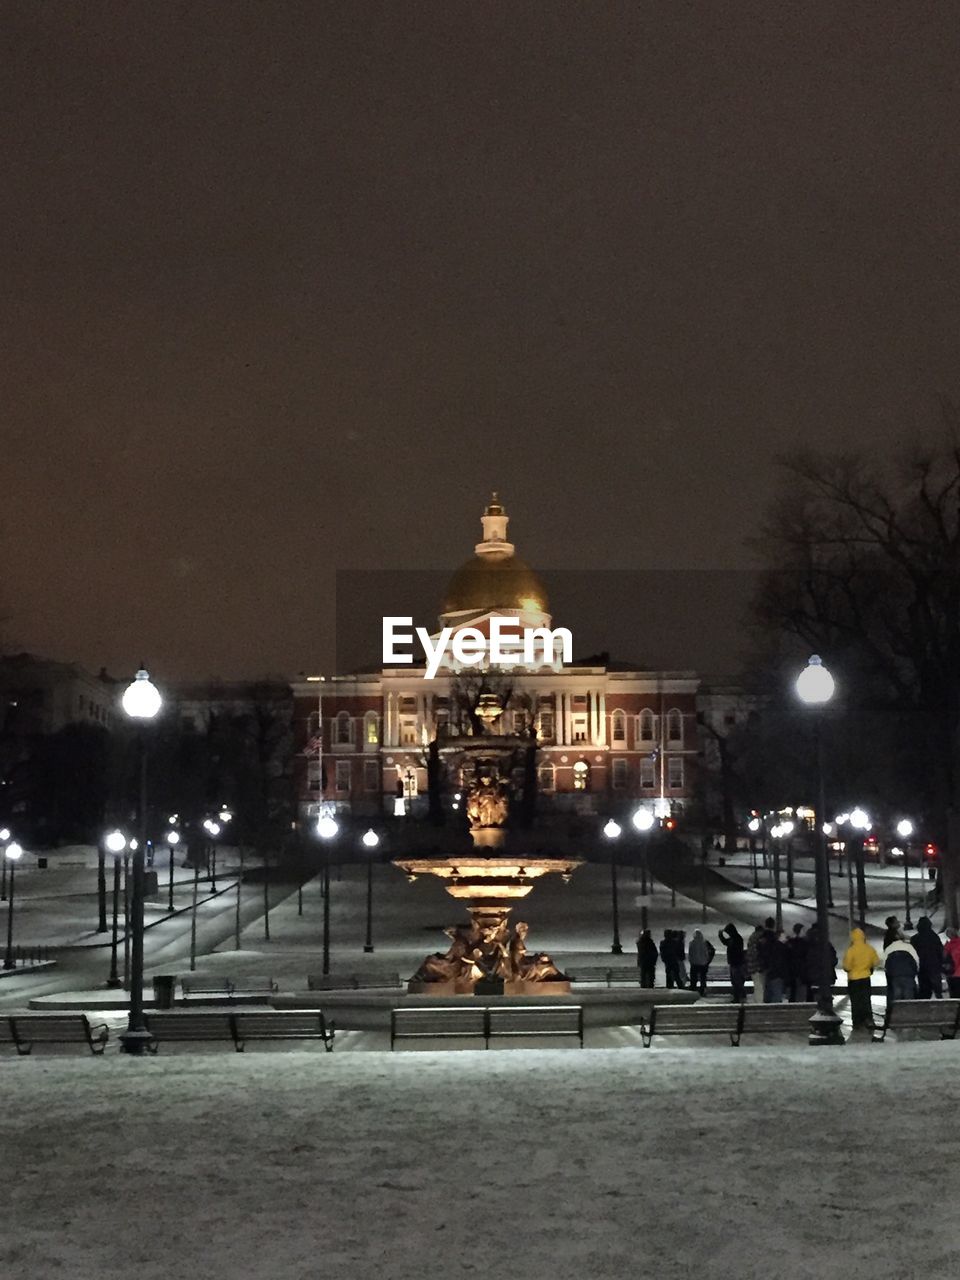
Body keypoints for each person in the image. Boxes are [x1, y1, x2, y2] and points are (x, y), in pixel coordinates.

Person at [842, 927, 880, 1029]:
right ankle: (868, 1019)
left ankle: (857, 1021)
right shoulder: (869, 948)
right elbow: (876, 962)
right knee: (866, 999)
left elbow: (847, 966)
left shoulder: (851, 950)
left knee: (855, 1001)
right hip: (866, 977)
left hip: (854, 979)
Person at [804, 921, 838, 1003]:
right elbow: (834, 959)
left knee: (812, 998)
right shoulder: (826, 944)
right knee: (824, 998)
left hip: (811, 976)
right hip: (825, 976)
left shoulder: (807, 942)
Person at [882, 931, 919, 1004]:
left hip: (895, 976)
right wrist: (915, 971)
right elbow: (916, 960)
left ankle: (898, 1012)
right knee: (909, 996)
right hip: (908, 975)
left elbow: (884, 964)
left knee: (897, 996)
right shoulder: (909, 947)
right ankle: (908, 1012)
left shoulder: (889, 948)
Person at [911, 916, 944, 999]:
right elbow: (940, 951)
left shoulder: (915, 938)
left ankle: (924, 1003)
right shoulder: (934, 937)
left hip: (921, 966)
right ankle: (939, 999)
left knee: (924, 988)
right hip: (934, 965)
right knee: (937, 987)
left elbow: (912, 953)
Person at [719, 922, 747, 1002]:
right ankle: (739, 996)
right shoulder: (735, 938)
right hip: (735, 963)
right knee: (736, 981)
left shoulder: (736, 939)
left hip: (736, 963)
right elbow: (726, 942)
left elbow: (731, 947)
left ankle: (738, 997)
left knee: (736, 981)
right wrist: (721, 936)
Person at [786, 923, 809, 1002]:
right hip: (801, 969)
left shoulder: (790, 942)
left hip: (792, 969)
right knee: (801, 989)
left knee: (793, 989)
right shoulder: (804, 943)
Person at [688, 929, 715, 995]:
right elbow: (710, 951)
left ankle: (693, 989)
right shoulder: (705, 942)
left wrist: (691, 961)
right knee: (703, 978)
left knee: (693, 978)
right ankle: (702, 990)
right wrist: (708, 960)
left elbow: (690, 953)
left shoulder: (692, 943)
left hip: (694, 963)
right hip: (703, 963)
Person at [944, 927, 960, 998]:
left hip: (953, 973)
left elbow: (944, 957)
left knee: (954, 993)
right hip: (956, 971)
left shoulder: (948, 946)